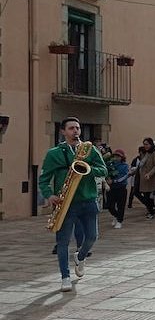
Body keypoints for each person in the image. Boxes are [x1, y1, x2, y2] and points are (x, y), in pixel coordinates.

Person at [39, 117, 108, 292]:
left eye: (77, 128)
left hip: (88, 200)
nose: (75, 131)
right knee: (62, 242)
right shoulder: (54, 153)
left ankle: (81, 256)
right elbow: (44, 179)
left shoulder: (89, 150)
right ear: (63, 131)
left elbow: (104, 169)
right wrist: (49, 195)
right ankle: (65, 277)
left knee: (92, 236)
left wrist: (89, 169)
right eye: (71, 128)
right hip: (65, 203)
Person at [135, 138, 155, 219]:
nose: (145, 146)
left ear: (151, 144)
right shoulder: (146, 153)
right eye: (144, 144)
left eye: (147, 144)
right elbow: (141, 164)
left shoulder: (154, 153)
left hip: (149, 178)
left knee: (146, 195)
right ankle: (151, 208)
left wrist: (149, 174)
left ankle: (151, 211)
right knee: (137, 192)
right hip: (141, 176)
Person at [106, 149, 129, 229]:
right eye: (115, 156)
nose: (116, 158)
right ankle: (116, 215)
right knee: (109, 205)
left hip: (121, 187)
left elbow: (125, 176)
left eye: (118, 156)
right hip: (111, 188)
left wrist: (114, 181)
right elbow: (106, 173)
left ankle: (119, 221)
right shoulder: (110, 165)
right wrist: (107, 179)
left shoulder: (125, 166)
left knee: (120, 205)